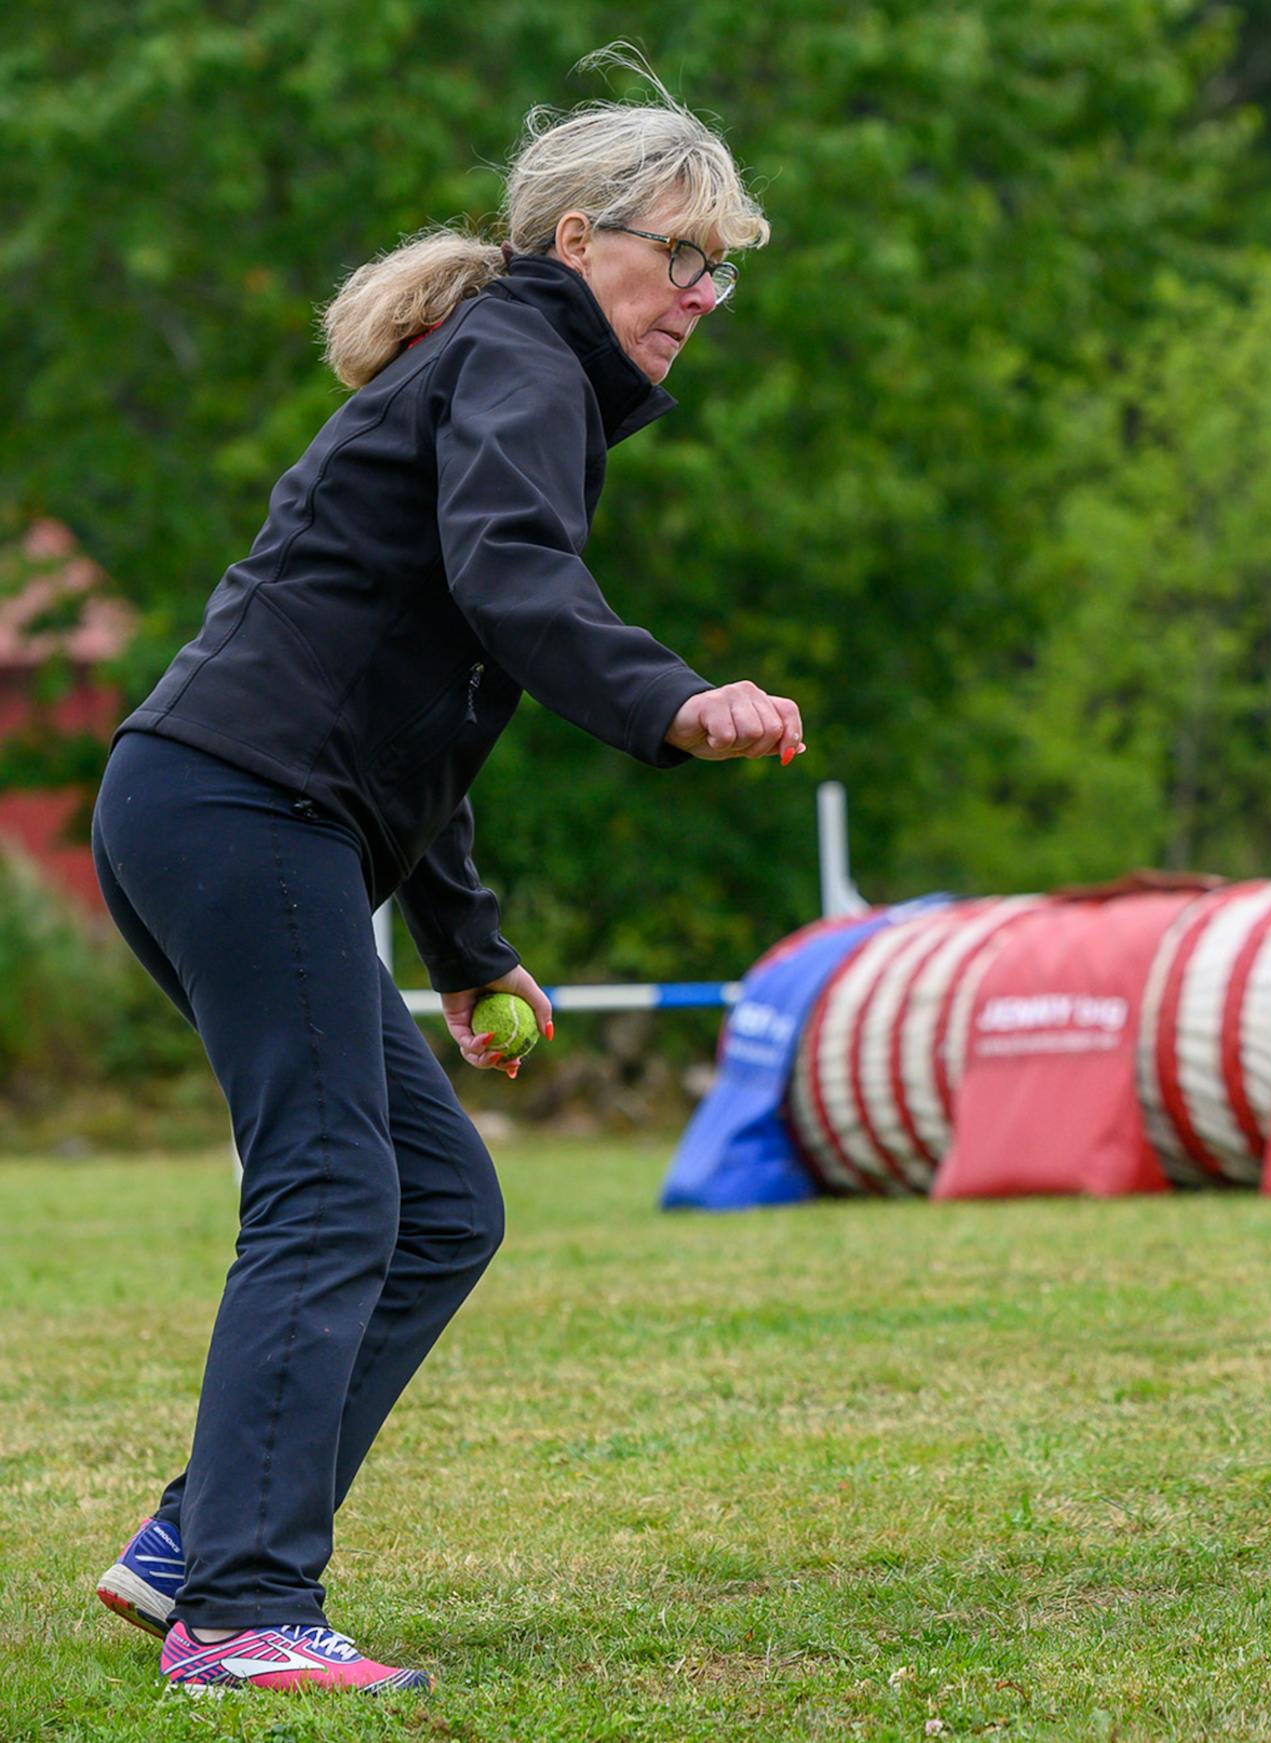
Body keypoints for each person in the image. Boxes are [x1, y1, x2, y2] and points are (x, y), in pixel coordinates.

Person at [87, 51, 794, 1695]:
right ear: (573, 236)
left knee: (441, 1203)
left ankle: (203, 1540)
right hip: (241, 809)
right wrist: (671, 696)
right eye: (680, 253)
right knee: (332, 1190)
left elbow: (438, 695)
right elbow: (513, 579)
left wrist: (471, 949)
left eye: (723, 267)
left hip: (247, 814)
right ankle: (247, 1614)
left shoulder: (504, 367)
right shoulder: (521, 358)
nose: (703, 292)